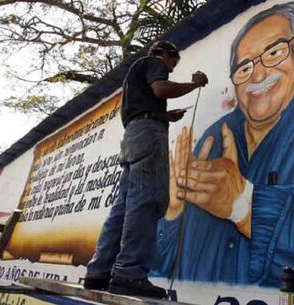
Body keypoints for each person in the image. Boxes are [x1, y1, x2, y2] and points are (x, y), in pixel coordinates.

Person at [155, 1, 294, 287]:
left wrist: (245, 206)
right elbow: (162, 272)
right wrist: (173, 214)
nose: (258, 76)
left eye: (274, 52)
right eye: (244, 68)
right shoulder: (214, 137)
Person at [84, 41, 208, 298]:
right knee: (146, 201)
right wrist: (194, 84)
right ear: (166, 54)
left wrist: (166, 116)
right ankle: (129, 273)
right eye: (172, 64)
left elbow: (151, 101)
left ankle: (98, 273)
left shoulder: (134, 75)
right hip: (148, 136)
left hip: (133, 136)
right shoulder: (153, 62)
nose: (170, 70)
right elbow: (161, 89)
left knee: (123, 207)